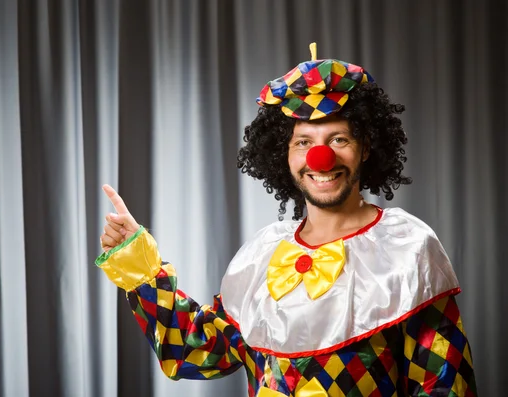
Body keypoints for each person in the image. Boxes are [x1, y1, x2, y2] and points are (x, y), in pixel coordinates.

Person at [97, 48, 477, 396]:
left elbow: (445, 387)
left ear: (367, 147)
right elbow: (196, 352)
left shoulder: (407, 247)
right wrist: (141, 267)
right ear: (284, 156)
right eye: (303, 142)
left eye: (339, 139)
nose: (321, 158)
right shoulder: (263, 254)